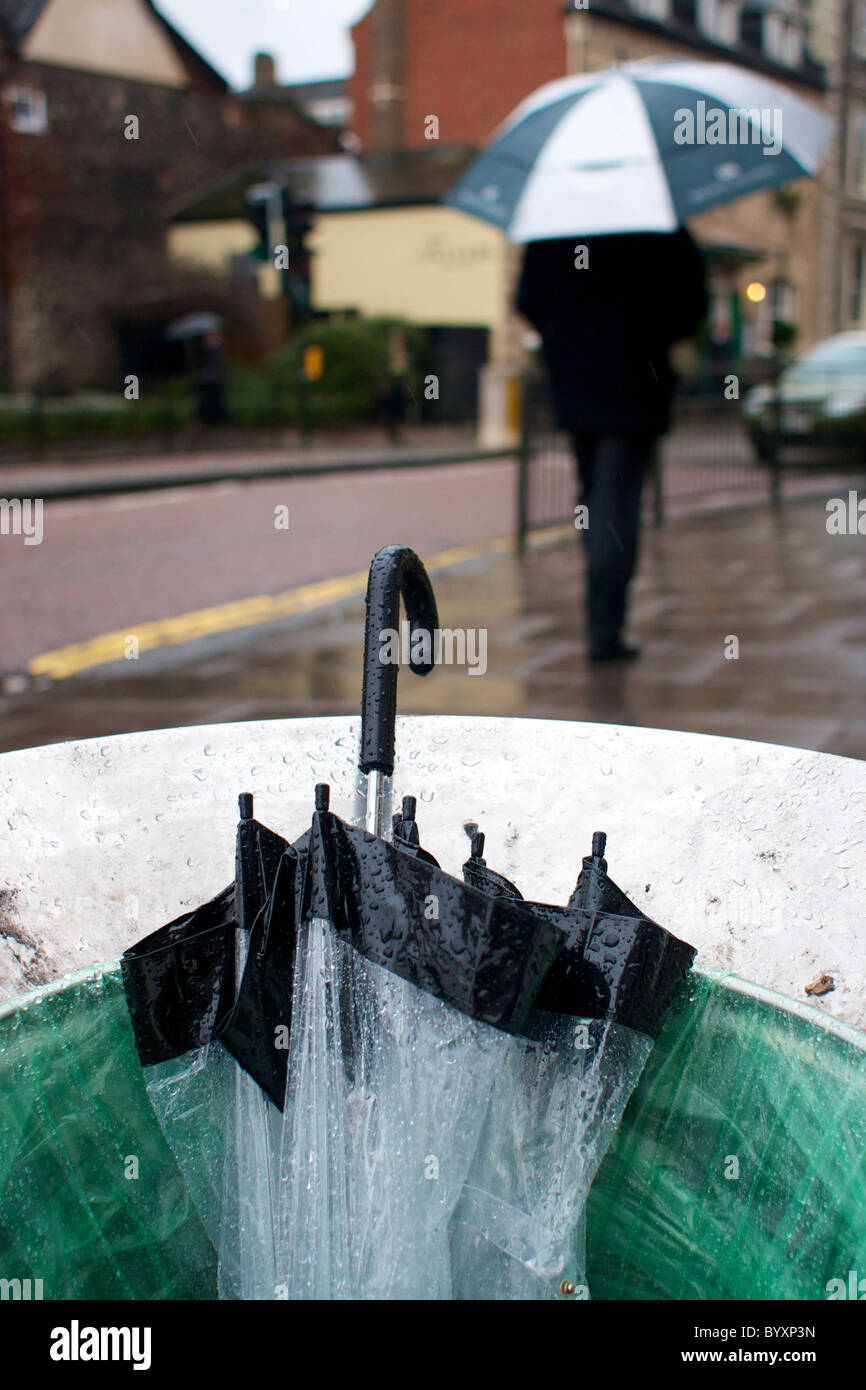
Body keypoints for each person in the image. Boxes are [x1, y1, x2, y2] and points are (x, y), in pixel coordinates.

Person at [516, 230, 707, 663]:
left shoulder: (555, 225)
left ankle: (602, 622)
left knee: (595, 495)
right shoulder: (660, 225)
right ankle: (605, 629)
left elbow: (527, 300)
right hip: (636, 385)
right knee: (617, 502)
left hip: (577, 386)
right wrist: (649, 334)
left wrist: (566, 334)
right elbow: (692, 302)